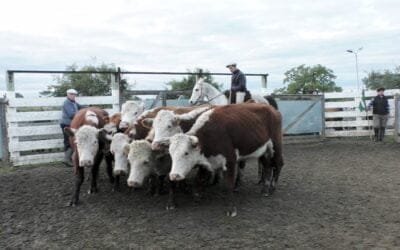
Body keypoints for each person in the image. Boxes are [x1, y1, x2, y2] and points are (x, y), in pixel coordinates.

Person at [60, 89, 83, 166]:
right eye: (71, 94)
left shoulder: (74, 102)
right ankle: (66, 159)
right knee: (68, 141)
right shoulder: (67, 103)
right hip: (66, 124)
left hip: (71, 125)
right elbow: (71, 114)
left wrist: (88, 108)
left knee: (72, 140)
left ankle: (68, 159)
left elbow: (81, 107)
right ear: (67, 95)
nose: (73, 96)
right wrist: (81, 113)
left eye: (74, 94)